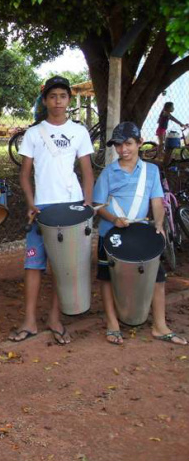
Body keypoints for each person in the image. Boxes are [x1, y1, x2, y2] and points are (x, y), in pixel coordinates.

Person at [10, 75, 94, 345]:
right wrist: (31, 203)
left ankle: (55, 319)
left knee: (63, 266)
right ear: (45, 100)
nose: (58, 101)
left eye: (63, 96)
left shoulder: (79, 132)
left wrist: (88, 205)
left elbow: (87, 172)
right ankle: (29, 320)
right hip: (42, 208)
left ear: (69, 100)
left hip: (70, 206)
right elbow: (25, 175)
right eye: (53, 96)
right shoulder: (33, 133)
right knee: (33, 264)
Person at [94, 122, 187, 346]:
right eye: (118, 145)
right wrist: (114, 219)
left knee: (157, 276)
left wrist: (158, 224)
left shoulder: (151, 171)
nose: (123, 149)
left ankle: (159, 325)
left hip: (140, 232)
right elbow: (97, 205)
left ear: (139, 143)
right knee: (107, 277)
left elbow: (156, 200)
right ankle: (113, 323)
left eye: (128, 143)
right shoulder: (109, 172)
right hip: (112, 233)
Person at [157, 102, 189, 167]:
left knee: (162, 145)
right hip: (161, 131)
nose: (173, 108)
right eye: (172, 107)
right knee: (161, 145)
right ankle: (159, 156)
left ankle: (161, 156)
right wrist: (181, 124)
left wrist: (182, 124)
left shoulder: (165, 113)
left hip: (162, 131)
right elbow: (174, 119)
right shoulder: (166, 113)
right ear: (168, 108)